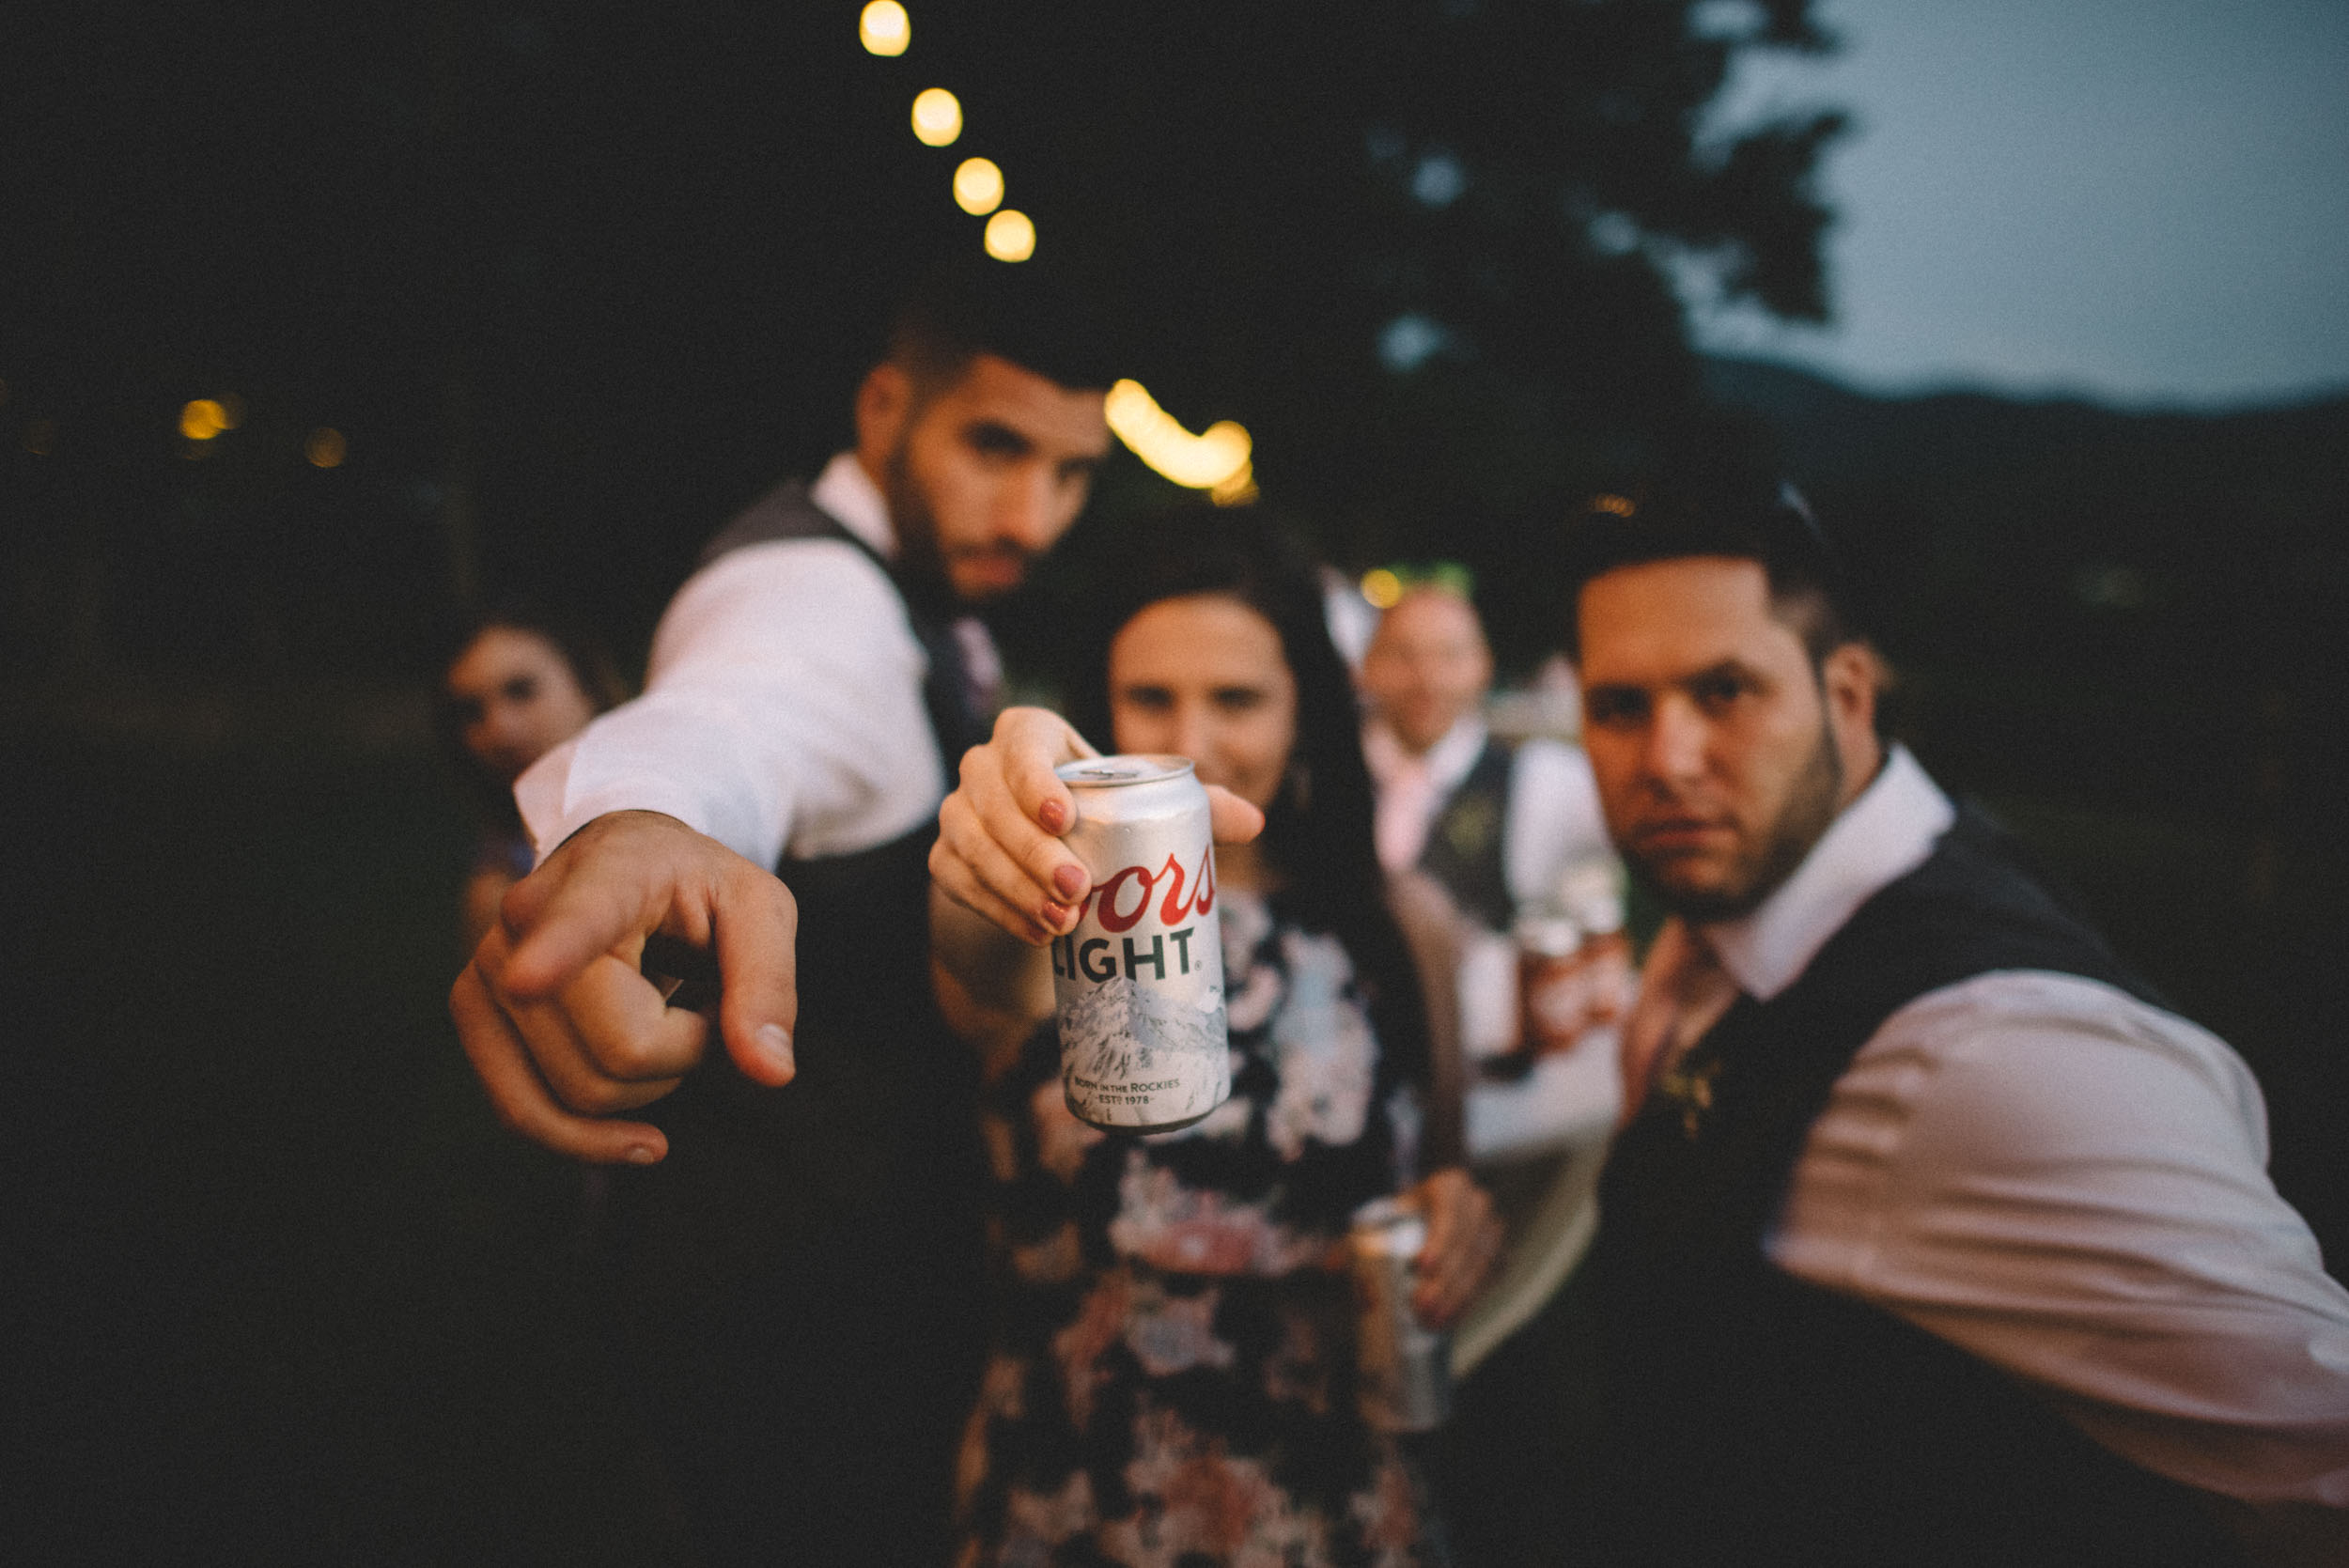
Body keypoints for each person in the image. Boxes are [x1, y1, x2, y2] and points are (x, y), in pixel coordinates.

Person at [447, 262, 1122, 1566]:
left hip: (873, 1255)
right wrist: (635, 814)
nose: (1034, 515)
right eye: (996, 447)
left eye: (1072, 473)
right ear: (884, 410)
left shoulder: (924, 593)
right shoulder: (804, 597)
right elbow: (735, 714)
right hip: (785, 1296)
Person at [1559, 476, 2349, 1565]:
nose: (1665, 760)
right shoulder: (1740, 894)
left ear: (1845, 695)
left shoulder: (1987, 1052)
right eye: (1619, 707)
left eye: (1725, 690)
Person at [928, 508, 1503, 1566]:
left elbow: (1444, 1173)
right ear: (1101, 704)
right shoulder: (1052, 903)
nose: (1190, 734)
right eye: (1151, 696)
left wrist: (1454, 1218)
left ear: (1305, 713)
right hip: (1082, 1496)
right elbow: (977, 951)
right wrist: (986, 841)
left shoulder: (1396, 924)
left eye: (1236, 697)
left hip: (1326, 1501)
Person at [435, 603, 626, 950]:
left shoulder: (687, 790)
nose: (499, 730)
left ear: (587, 688)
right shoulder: (501, 891)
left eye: (521, 691)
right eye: (472, 713)